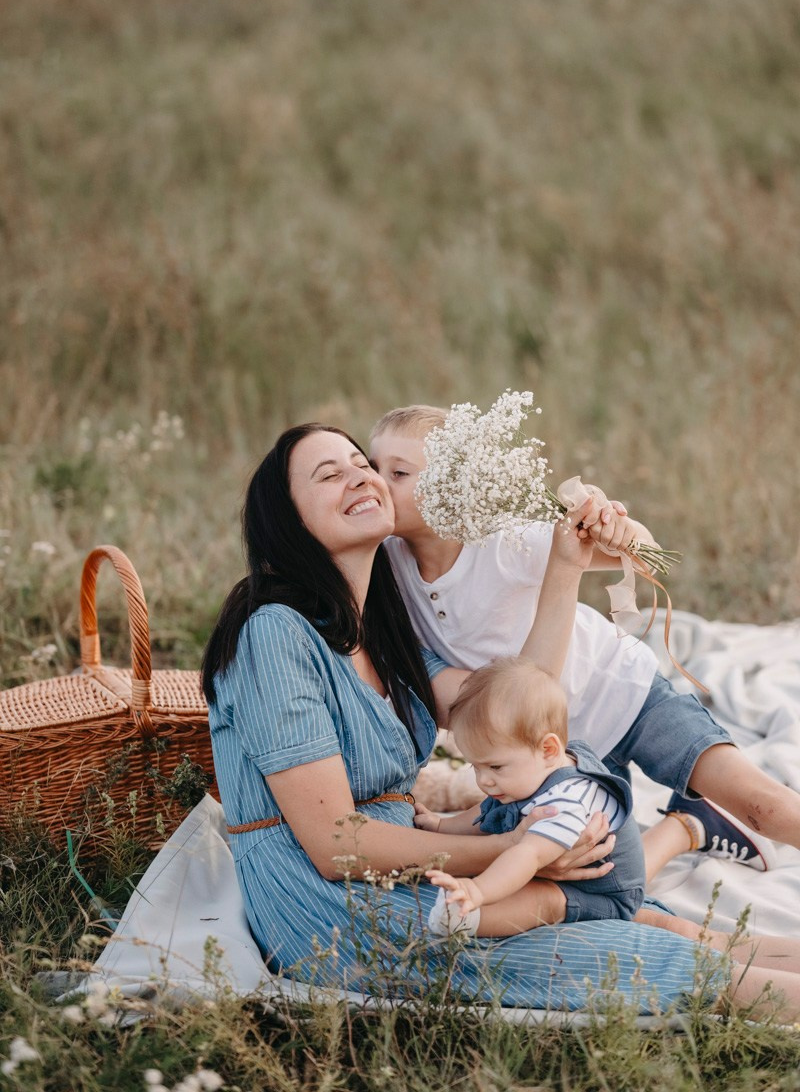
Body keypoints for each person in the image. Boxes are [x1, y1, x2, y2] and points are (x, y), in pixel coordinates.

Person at [201, 422, 800, 1022]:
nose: (361, 475)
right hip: (331, 906)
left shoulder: (385, 631)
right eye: (330, 475)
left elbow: (518, 705)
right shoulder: (274, 633)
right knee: (647, 958)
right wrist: (512, 848)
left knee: (650, 920)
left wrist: (565, 565)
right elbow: (337, 845)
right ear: (287, 520)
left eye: (362, 464)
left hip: (410, 870)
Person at [369, 405, 800, 879]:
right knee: (608, 881)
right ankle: (690, 825)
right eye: (373, 467)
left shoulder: (504, 543)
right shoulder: (386, 569)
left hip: (626, 695)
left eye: (399, 473)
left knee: (765, 807)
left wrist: (616, 527)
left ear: (455, 487)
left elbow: (645, 558)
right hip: (558, 754)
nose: (376, 483)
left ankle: (715, 815)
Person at [418, 657, 645, 938]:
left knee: (540, 899)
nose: (483, 779)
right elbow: (488, 812)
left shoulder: (565, 803)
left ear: (549, 749)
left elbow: (529, 854)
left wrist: (478, 890)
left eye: (494, 766)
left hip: (602, 896)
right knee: (503, 836)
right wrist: (442, 826)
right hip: (562, 867)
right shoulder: (533, 770)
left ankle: (466, 919)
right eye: (474, 766)